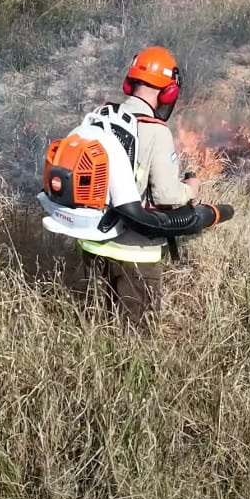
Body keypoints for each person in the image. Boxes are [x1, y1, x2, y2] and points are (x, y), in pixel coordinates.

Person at [76, 46, 201, 331]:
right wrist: (191, 189)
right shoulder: (155, 130)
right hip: (134, 252)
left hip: (93, 244)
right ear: (168, 93)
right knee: (135, 338)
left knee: (97, 327)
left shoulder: (100, 118)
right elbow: (167, 196)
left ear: (129, 83)